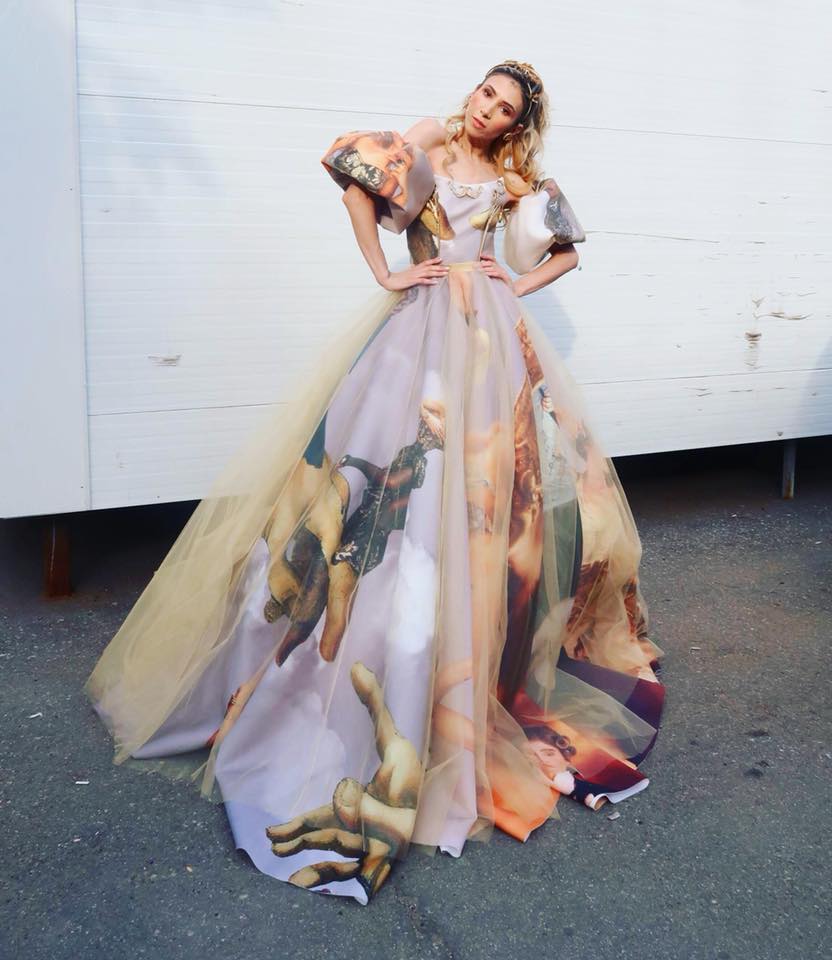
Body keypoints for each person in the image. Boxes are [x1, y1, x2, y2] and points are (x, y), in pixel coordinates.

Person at [84, 60, 666, 905]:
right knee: (383, 483)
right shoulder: (427, 139)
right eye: (486, 92)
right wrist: (385, 271)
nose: (488, 109)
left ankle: (453, 656)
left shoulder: (514, 180)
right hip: (419, 327)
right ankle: (328, 659)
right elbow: (353, 179)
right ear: (474, 92)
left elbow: (569, 250)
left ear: (516, 124)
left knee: (475, 500)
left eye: (505, 107)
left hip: (486, 339)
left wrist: (516, 280)